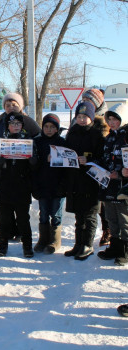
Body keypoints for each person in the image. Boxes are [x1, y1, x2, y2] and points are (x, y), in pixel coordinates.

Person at [0, 92, 41, 241]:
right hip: (2, 169)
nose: (11, 107)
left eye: (14, 104)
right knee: (3, 202)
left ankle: (21, 230)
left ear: (20, 106)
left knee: (21, 202)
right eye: (7, 105)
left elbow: (39, 139)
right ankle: (7, 230)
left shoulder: (28, 121)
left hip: (22, 170)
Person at [0, 112, 38, 258]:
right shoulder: (2, 140)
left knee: (23, 218)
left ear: (22, 125)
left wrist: (32, 160)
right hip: (5, 184)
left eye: (18, 124)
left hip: (22, 185)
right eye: (12, 124)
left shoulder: (28, 140)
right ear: (8, 126)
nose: (15, 126)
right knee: (4, 218)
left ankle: (27, 246)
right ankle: (2, 245)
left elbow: (36, 164)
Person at [64, 101, 106, 260]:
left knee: (89, 215)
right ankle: (78, 244)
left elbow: (103, 158)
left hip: (91, 181)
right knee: (78, 216)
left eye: (85, 117)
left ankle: (87, 245)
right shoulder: (72, 132)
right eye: (79, 116)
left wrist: (88, 159)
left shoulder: (97, 135)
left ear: (91, 118)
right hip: (75, 180)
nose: (81, 120)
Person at [96, 103, 128, 266]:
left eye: (116, 119)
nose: (112, 122)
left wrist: (122, 171)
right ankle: (115, 247)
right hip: (108, 184)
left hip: (123, 186)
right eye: (110, 119)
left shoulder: (126, 135)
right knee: (111, 218)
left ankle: (125, 251)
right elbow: (106, 158)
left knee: (124, 219)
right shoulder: (110, 137)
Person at [81, 88, 111, 246]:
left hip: (101, 167)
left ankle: (108, 231)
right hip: (84, 167)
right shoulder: (82, 115)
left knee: (104, 203)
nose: (86, 102)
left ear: (97, 103)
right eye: (84, 99)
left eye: (89, 100)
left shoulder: (105, 121)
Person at [33, 113, 66, 254]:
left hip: (58, 185)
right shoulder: (38, 142)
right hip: (42, 185)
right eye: (46, 126)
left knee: (56, 214)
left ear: (57, 129)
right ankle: (43, 239)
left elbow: (68, 165)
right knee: (44, 213)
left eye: (52, 127)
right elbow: (33, 166)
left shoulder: (62, 143)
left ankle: (55, 240)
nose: (49, 129)